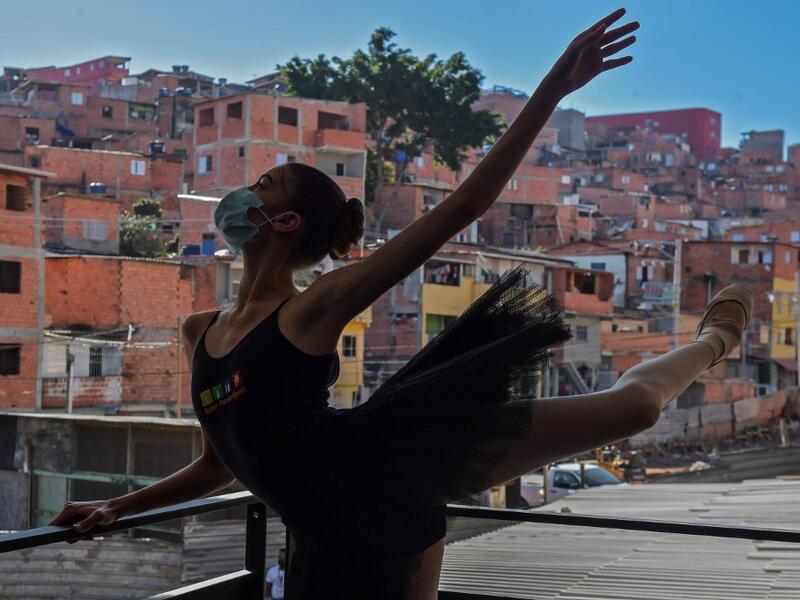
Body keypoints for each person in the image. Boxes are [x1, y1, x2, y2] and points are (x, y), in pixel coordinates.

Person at [48, 8, 754, 599]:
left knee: (632, 410)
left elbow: (466, 204)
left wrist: (552, 90)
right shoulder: (199, 331)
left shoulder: (313, 308)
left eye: (260, 184)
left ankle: (715, 336)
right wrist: (120, 505)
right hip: (315, 530)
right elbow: (219, 464)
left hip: (378, 480)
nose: (240, 192)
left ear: (285, 222)